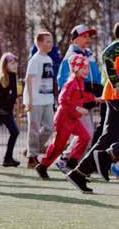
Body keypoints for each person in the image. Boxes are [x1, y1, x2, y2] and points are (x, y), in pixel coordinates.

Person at [66, 23, 119, 193]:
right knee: (108, 139)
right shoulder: (116, 47)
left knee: (107, 137)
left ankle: (80, 173)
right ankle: (107, 155)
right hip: (116, 95)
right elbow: (107, 54)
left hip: (113, 96)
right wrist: (116, 83)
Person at [35, 54, 94, 180]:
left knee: (85, 137)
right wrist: (78, 108)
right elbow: (62, 100)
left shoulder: (81, 82)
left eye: (87, 68)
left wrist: (97, 98)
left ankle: (72, 162)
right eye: (84, 68)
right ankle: (42, 166)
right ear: (76, 69)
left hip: (73, 118)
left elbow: (82, 97)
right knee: (58, 146)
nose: (86, 71)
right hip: (63, 119)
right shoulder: (71, 82)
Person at [56, 25, 102, 162]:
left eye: (89, 36)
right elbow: (63, 79)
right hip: (77, 101)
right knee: (86, 133)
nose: (87, 39)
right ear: (74, 39)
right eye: (84, 36)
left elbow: (95, 75)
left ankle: (68, 157)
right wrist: (73, 100)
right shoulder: (71, 56)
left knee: (85, 133)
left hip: (88, 97)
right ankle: (68, 159)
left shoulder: (88, 54)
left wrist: (98, 90)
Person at [23, 31, 56, 169]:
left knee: (49, 128)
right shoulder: (34, 60)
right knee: (34, 129)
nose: (51, 44)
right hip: (35, 100)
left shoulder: (49, 59)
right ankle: (32, 157)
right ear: (40, 43)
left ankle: (32, 149)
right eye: (48, 41)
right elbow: (29, 80)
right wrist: (29, 100)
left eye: (51, 41)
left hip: (48, 99)